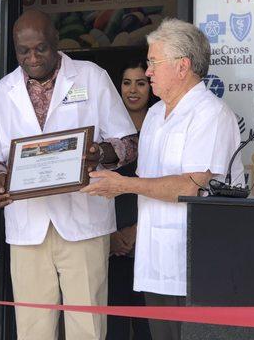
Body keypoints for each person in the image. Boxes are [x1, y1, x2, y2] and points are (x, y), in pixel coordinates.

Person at [0, 9, 137, 340]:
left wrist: (98, 154)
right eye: (23, 51)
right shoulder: (0, 95)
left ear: (56, 42)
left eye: (41, 48)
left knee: (88, 326)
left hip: (84, 223)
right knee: (33, 328)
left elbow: (128, 144)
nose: (32, 57)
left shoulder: (91, 77)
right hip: (28, 227)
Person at [82, 18, 244, 340]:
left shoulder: (210, 114)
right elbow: (150, 183)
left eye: (154, 62)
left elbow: (191, 186)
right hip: (154, 263)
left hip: (194, 265)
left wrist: (122, 185)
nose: (149, 71)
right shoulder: (156, 115)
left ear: (182, 66)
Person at [107, 59, 157, 340]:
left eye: (141, 82)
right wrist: (111, 234)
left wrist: (137, 231)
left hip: (147, 237)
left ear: (151, 86)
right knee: (112, 324)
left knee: (147, 326)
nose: (133, 90)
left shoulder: (161, 123)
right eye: (127, 83)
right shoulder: (107, 128)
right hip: (112, 240)